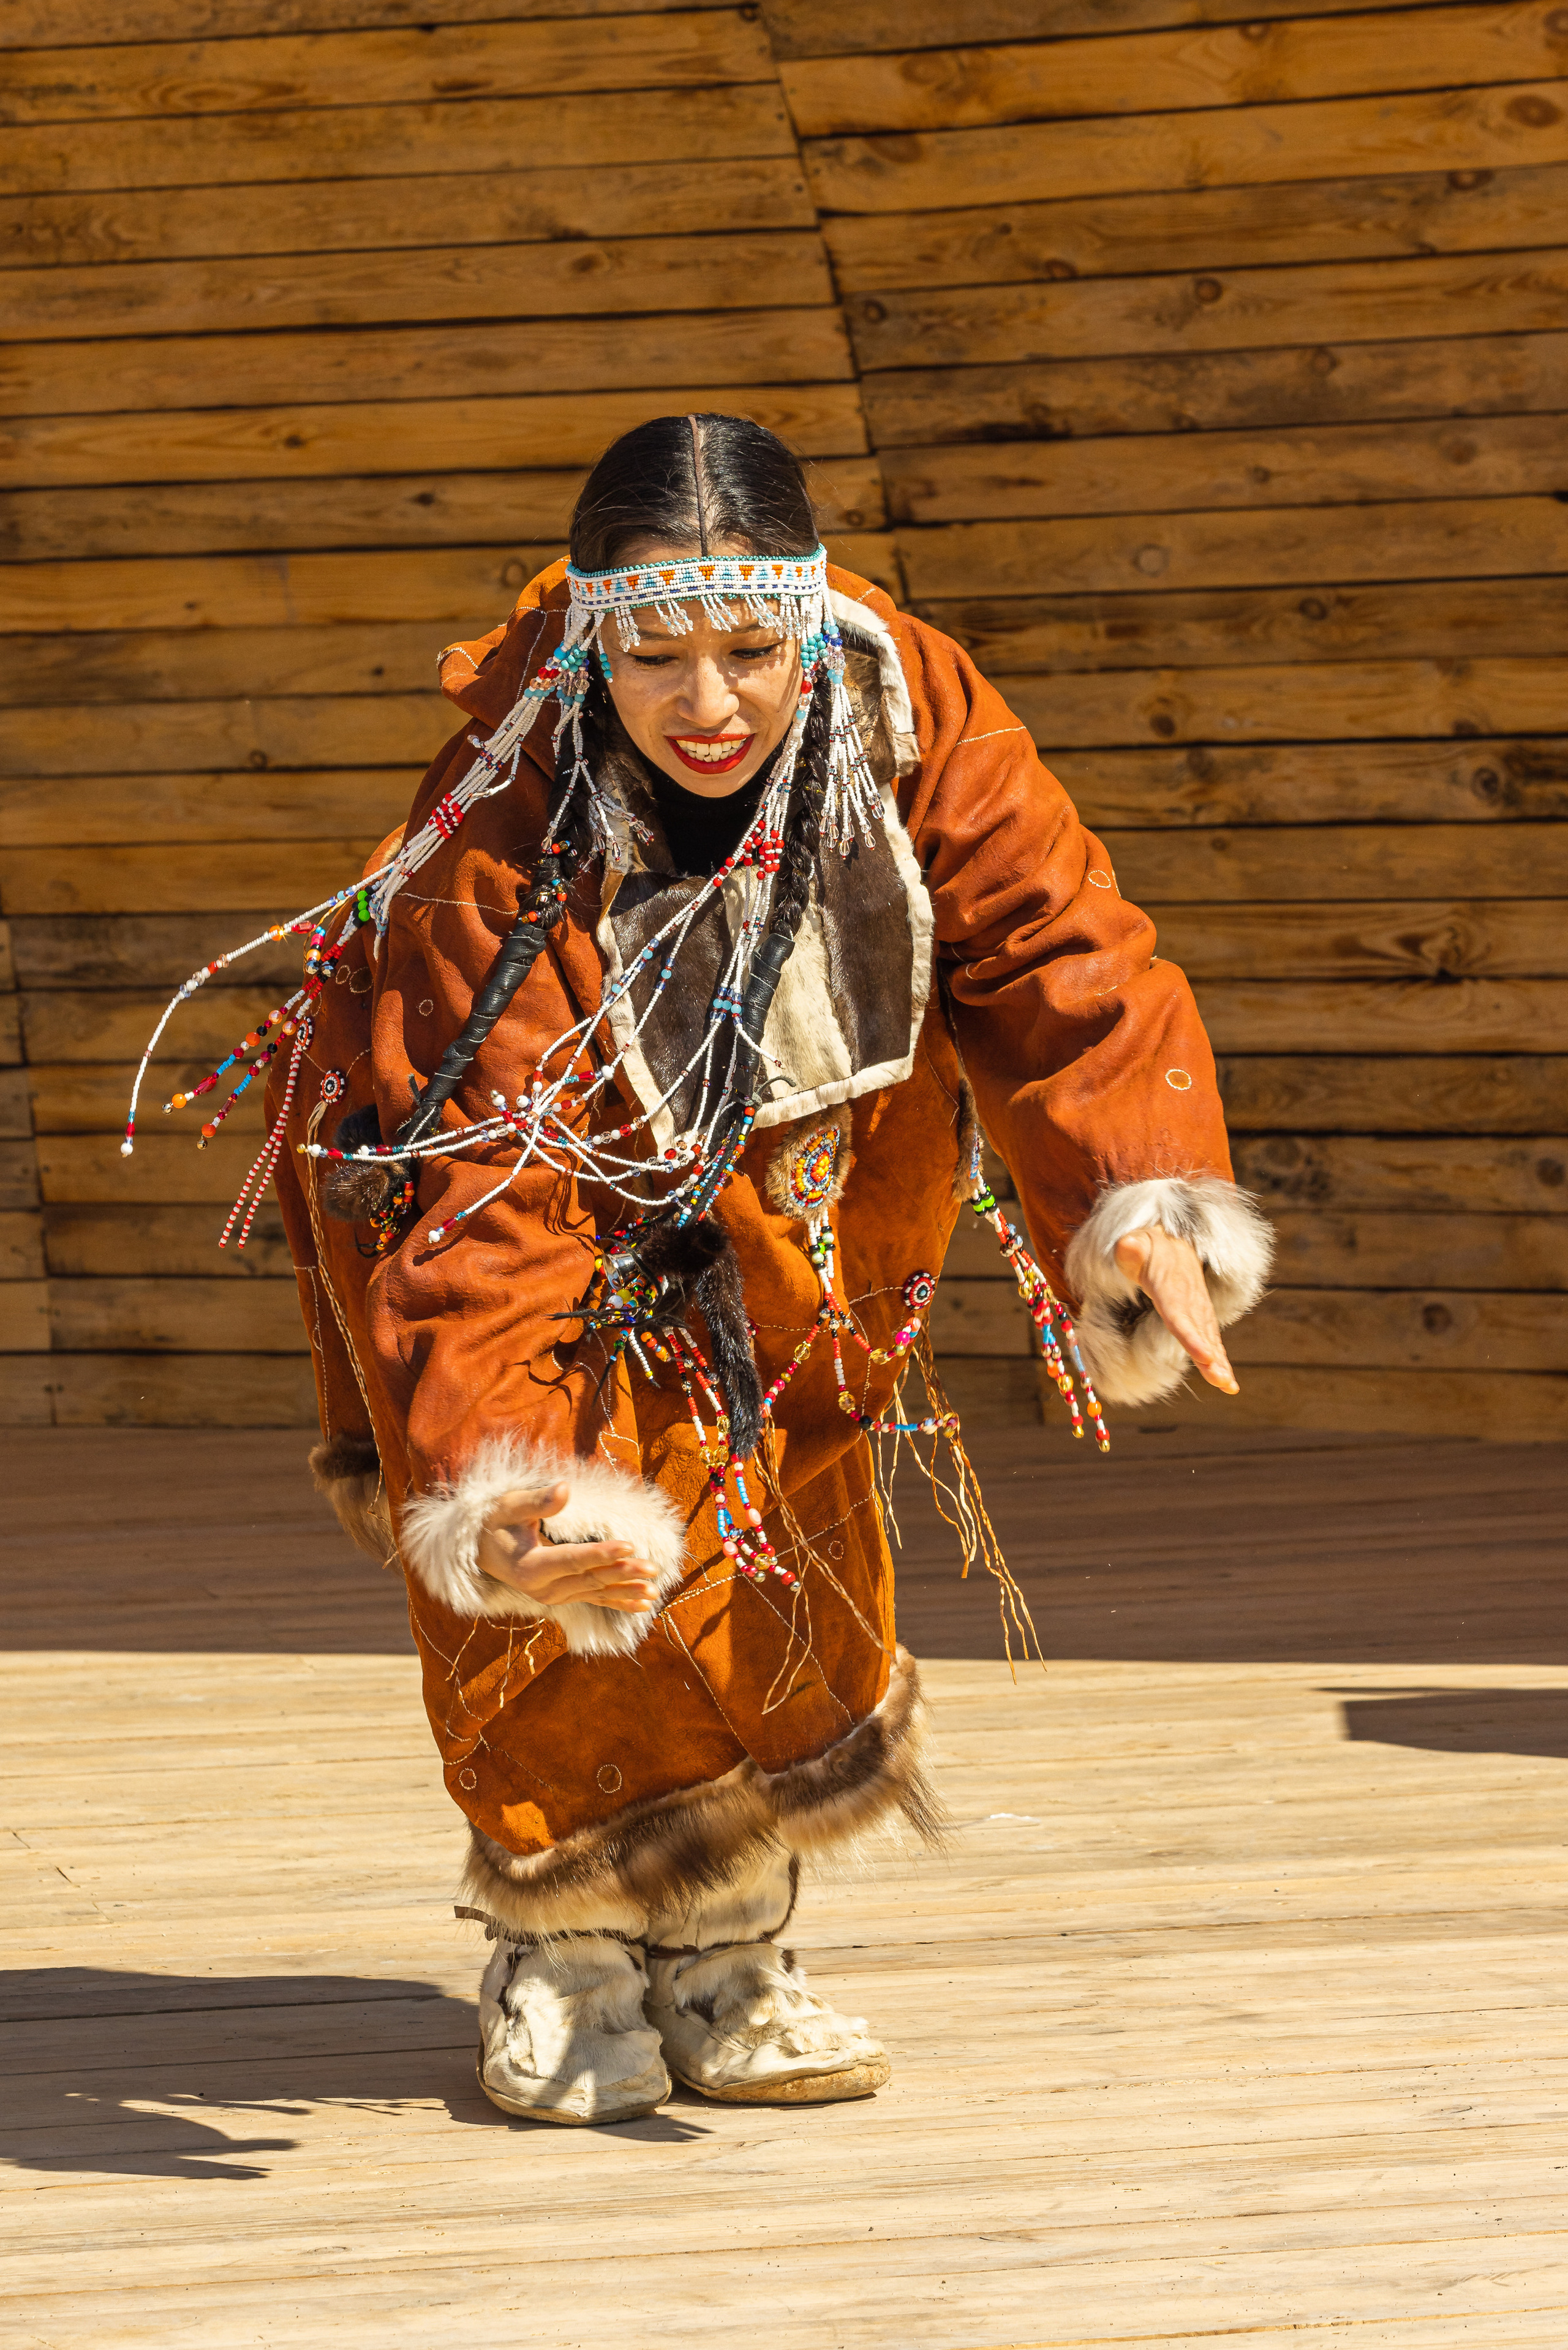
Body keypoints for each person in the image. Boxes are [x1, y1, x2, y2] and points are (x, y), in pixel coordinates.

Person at [134, 412, 1270, 2125]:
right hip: (535, 1190)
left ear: (811, 616)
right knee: (570, 1546)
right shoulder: (495, 836)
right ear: (600, 636)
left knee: (785, 1530)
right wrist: (501, 1477)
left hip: (814, 1205)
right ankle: (567, 1951)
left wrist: (1144, 1197)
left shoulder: (917, 713)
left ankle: (737, 1947)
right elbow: (481, 1183)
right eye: (657, 656)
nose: (712, 703)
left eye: (753, 650)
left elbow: (1060, 954)